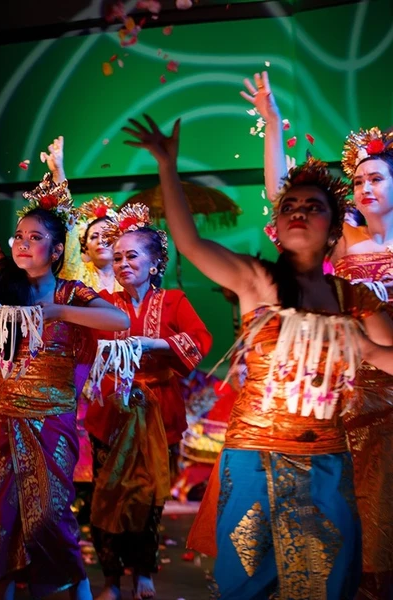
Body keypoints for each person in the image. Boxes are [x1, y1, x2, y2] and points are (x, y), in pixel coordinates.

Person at [122, 114, 393, 599]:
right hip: (254, 458)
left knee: (329, 581)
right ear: (277, 224)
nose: (299, 212)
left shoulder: (354, 299)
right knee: (245, 583)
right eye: (290, 205)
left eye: (313, 206)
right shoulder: (255, 279)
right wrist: (167, 166)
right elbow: (190, 243)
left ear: (335, 227)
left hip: (326, 458)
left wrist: (368, 348)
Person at [0, 121, 130, 600]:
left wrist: (56, 312)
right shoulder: (7, 288)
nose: (22, 243)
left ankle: (76, 587)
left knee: (50, 511)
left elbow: (118, 320)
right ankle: (6, 590)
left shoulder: (71, 293)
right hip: (9, 417)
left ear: (56, 249)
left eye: (34, 237)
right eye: (19, 236)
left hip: (52, 419)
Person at [243, 72, 393, 598]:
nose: (366, 188)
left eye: (377, 179)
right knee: (345, 504)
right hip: (345, 392)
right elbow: (282, 194)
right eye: (360, 181)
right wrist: (272, 123)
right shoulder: (342, 239)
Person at [84, 203, 212, 600]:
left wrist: (155, 344)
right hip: (112, 412)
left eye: (132, 256)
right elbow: (86, 347)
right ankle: (110, 579)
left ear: (155, 263)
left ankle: (143, 571)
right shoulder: (104, 302)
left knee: (150, 498)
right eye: (118, 257)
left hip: (159, 409)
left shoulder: (173, 301)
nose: (122, 264)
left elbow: (200, 341)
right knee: (107, 495)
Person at [45, 136, 122, 493]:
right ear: (84, 246)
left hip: (122, 374)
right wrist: (59, 172)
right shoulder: (78, 275)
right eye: (94, 235)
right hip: (82, 369)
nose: (102, 238)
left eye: (110, 235)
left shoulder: (130, 277)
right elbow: (68, 224)